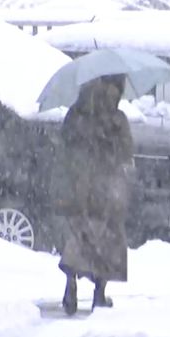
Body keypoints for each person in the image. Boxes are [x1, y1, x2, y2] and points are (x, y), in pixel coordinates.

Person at [53, 74, 135, 315]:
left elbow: (65, 147)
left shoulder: (76, 115)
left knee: (79, 235)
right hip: (106, 188)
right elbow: (126, 152)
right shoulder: (116, 118)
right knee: (108, 239)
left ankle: (71, 284)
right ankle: (99, 293)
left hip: (78, 185)